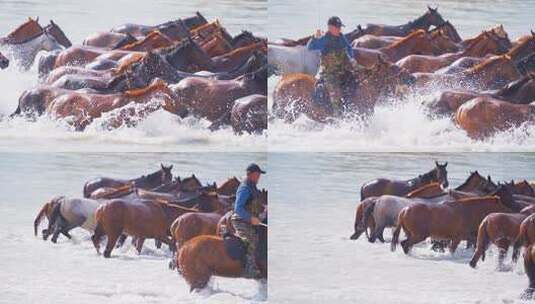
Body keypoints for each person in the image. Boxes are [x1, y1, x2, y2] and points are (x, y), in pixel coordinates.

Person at [307, 16, 356, 115]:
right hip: (330, 74)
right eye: (337, 27)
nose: (339, 29)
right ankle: (337, 115)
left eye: (340, 27)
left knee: (356, 82)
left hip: (343, 70)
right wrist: (314, 37)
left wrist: (352, 58)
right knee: (335, 93)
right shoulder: (324, 39)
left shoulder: (341, 37)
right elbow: (310, 47)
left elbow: (349, 48)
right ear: (330, 27)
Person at [231, 163, 266, 279]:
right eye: (257, 175)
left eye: (259, 175)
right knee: (252, 240)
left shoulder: (252, 186)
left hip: (251, 220)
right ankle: (248, 269)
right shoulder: (245, 188)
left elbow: (255, 204)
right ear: (249, 175)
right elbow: (238, 208)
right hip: (241, 220)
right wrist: (251, 218)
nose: (259, 177)